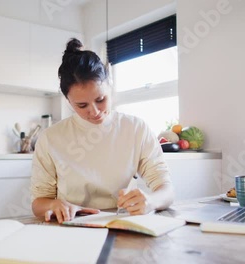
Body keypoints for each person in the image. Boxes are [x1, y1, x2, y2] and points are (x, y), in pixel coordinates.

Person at [31, 38, 174, 223]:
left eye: (100, 99)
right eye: (82, 105)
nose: (95, 112)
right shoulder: (50, 138)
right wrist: (52, 205)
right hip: (72, 225)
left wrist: (151, 201)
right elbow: (38, 203)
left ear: (110, 85)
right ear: (68, 101)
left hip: (122, 222)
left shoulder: (136, 129)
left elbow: (167, 190)